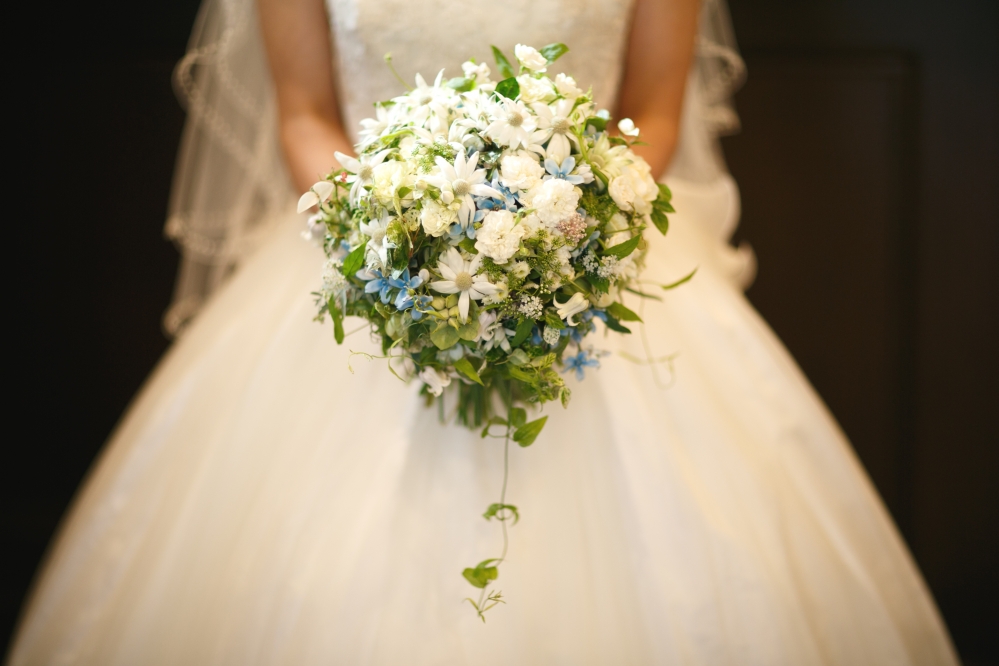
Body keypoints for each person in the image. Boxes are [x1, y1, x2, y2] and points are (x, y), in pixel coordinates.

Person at [8, 0, 959, 663]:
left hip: (583, 250)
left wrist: (564, 229)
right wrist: (392, 234)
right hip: (369, 252)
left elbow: (656, 108)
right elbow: (304, 114)